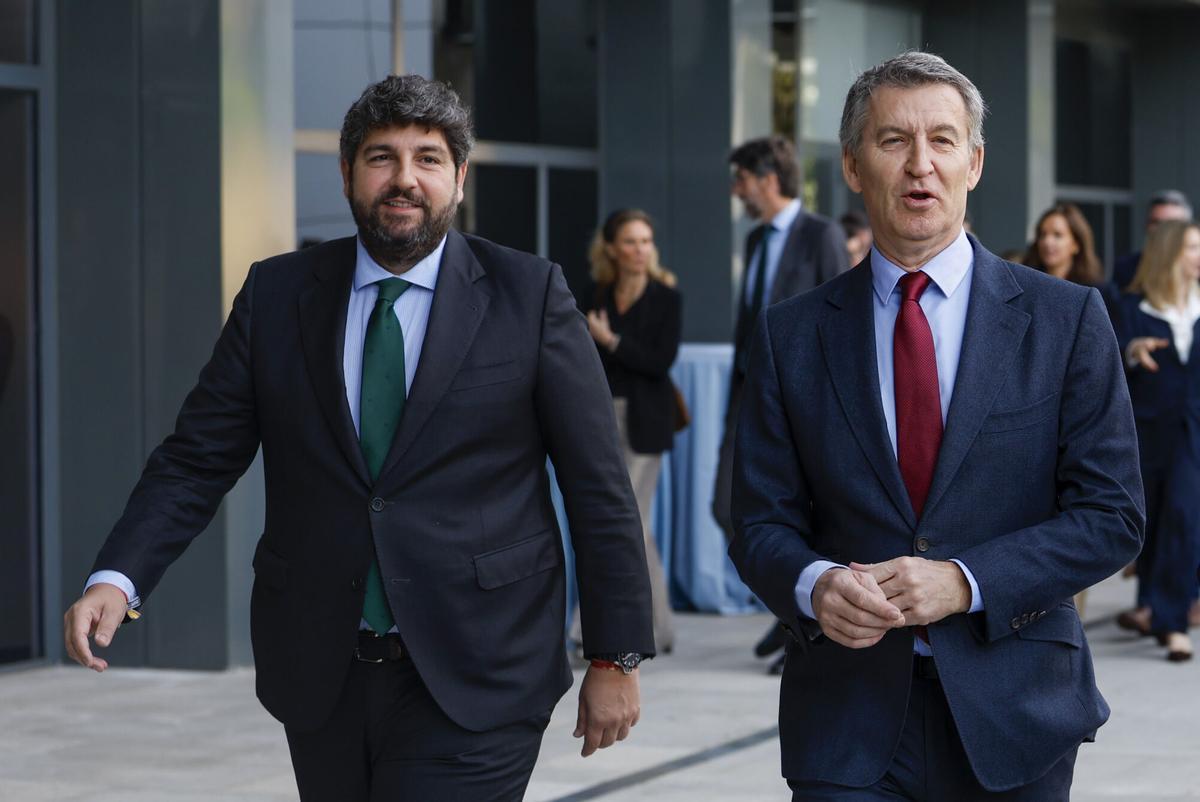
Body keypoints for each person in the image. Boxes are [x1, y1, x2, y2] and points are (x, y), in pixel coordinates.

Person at [63, 74, 654, 801]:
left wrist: (614, 657)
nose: (404, 179)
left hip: (482, 669)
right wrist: (118, 578)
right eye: (381, 157)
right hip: (322, 670)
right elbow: (196, 459)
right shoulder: (277, 294)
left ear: (459, 179)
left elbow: (598, 486)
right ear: (347, 174)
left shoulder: (529, 296)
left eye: (428, 158)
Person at [729, 51, 1143, 800]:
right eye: (893, 141)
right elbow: (758, 519)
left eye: (943, 140)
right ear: (853, 168)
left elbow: (1112, 515)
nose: (921, 164)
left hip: (1015, 712)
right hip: (847, 720)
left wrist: (964, 582)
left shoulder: (1066, 319)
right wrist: (814, 584)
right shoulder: (790, 335)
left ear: (974, 162)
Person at [714, 135, 849, 674]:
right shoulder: (754, 240)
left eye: (741, 180)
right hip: (749, 392)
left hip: (804, 397)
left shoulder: (822, 235)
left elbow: (839, 317)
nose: (736, 191)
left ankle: (800, 617)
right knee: (727, 505)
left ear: (767, 179)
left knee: (797, 511)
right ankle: (789, 603)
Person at [573, 208, 682, 655]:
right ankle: (659, 628)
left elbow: (660, 362)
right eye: (631, 242)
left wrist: (611, 341)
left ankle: (585, 630)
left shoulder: (665, 297)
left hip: (644, 426)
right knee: (628, 526)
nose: (640, 250)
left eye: (646, 241)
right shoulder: (595, 292)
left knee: (628, 522)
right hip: (600, 420)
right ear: (612, 249)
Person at [1115, 219, 1200, 662]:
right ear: (1169, 252)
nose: (1198, 256)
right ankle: (1152, 603)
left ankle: (1172, 623)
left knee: (1184, 516)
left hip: (1194, 433)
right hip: (1147, 431)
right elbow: (1113, 355)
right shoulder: (1134, 307)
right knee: (1151, 520)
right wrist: (1133, 350)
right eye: (1191, 247)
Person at [1112, 189, 1193, 291]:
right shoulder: (1125, 268)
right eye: (1156, 222)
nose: (1162, 231)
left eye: (1171, 225)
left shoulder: (1196, 269)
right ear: (1146, 225)